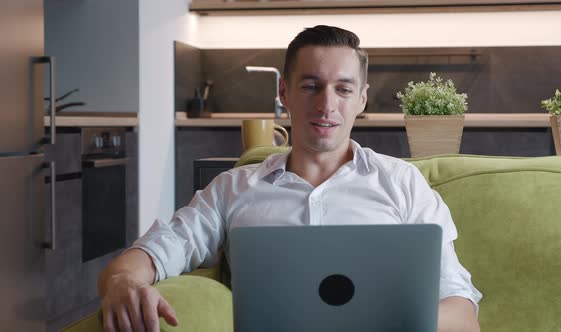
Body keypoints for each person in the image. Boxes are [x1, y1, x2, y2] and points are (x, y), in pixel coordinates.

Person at [98, 25, 482, 332]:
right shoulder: (233, 188)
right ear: (284, 91)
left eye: (343, 89)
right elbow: (163, 246)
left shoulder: (403, 183)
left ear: (361, 100)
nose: (327, 104)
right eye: (311, 86)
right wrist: (123, 282)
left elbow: (462, 313)